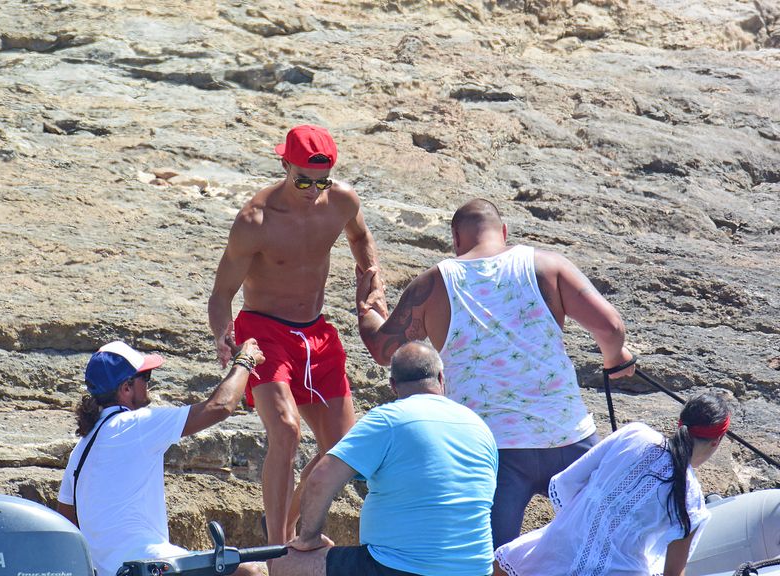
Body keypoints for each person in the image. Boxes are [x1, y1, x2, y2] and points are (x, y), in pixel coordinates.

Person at [356, 198, 636, 548]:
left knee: (489, 557)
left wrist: (367, 309)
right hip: (568, 437)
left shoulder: (434, 283)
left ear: (455, 238)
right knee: (602, 544)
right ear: (504, 231)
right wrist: (615, 358)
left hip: (491, 448)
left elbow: (383, 350)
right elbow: (611, 327)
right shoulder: (548, 265)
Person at [208, 124, 384, 545]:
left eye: (321, 181)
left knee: (342, 447)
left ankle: (283, 530)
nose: (312, 190)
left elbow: (360, 236)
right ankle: (277, 550)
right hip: (264, 333)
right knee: (286, 430)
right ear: (284, 164)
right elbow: (221, 294)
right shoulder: (255, 220)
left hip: (316, 334)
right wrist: (223, 335)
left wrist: (373, 280)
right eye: (303, 180)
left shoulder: (341, 201)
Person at [272, 342, 498, 576]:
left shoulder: (388, 419)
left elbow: (320, 479)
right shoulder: (480, 427)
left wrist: (309, 539)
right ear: (441, 378)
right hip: (476, 569)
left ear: (393, 385)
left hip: (397, 567)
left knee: (285, 563)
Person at [56, 339, 265, 576]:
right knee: (249, 572)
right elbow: (220, 406)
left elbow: (67, 525)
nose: (149, 384)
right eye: (145, 377)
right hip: (148, 565)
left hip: (113, 572)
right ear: (126, 388)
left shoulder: (81, 449)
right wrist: (245, 361)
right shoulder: (134, 424)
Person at [494, 393, 730, 576]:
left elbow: (567, 482)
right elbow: (672, 573)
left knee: (502, 564)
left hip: (559, 550)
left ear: (679, 422)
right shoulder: (693, 499)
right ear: (716, 441)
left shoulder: (635, 434)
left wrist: (580, 525)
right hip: (623, 571)